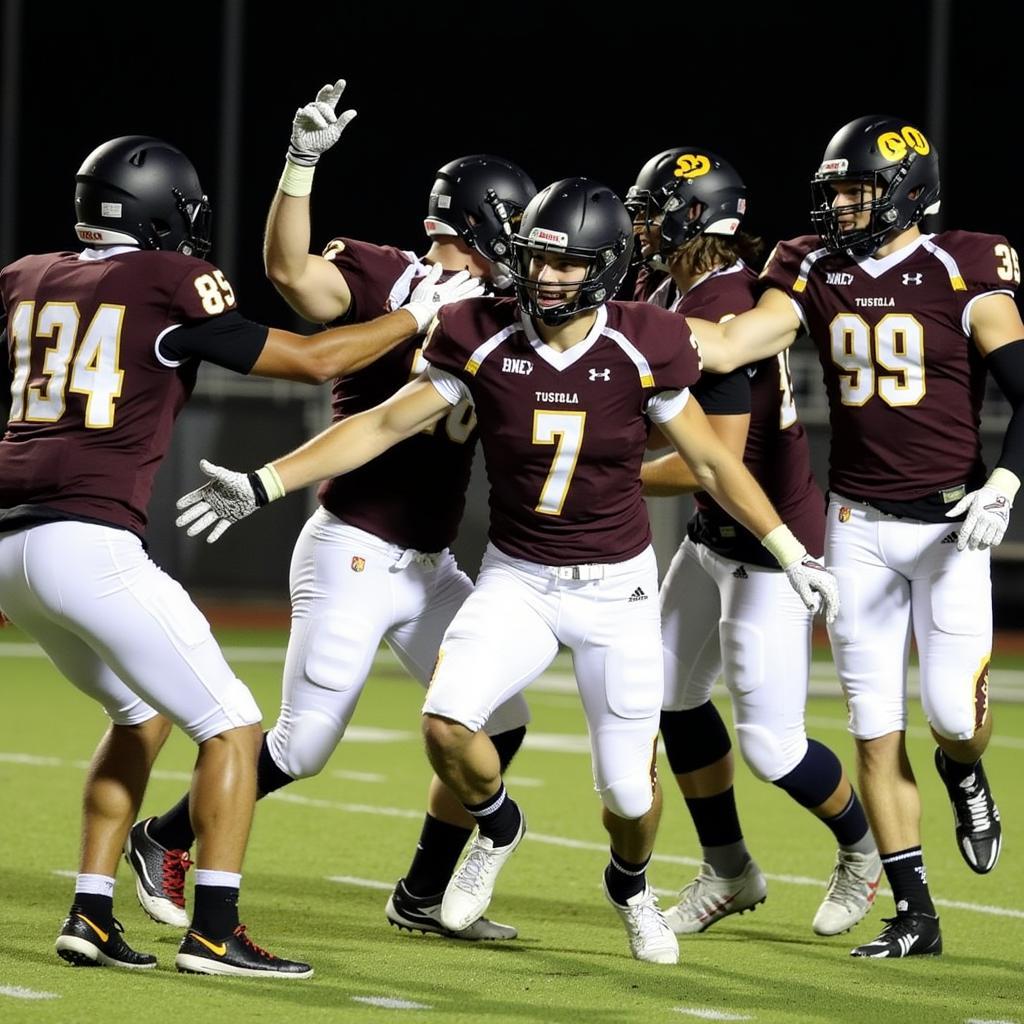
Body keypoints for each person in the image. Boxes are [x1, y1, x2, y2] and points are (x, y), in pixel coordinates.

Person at [171, 177, 840, 964]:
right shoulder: (476, 328)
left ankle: (630, 886)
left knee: (628, 793)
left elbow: (711, 463)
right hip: (516, 577)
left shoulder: (646, 337)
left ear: (608, 265)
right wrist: (266, 482)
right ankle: (497, 829)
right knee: (449, 724)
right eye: (536, 261)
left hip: (617, 587)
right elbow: (383, 422)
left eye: (567, 266)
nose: (547, 279)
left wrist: (791, 551)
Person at [0, 133, 481, 976]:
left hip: (11, 537)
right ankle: (215, 931)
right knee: (233, 728)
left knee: (139, 714)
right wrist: (417, 315)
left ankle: (91, 913)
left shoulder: (26, 275)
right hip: (88, 539)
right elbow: (316, 360)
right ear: (158, 214)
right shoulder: (166, 279)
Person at [125, 79, 536, 942]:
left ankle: (421, 897)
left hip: (431, 564)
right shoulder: (391, 275)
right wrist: (300, 163)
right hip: (353, 545)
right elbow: (288, 273)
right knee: (303, 748)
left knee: (495, 718)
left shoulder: (512, 312)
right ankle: (160, 835)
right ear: (497, 226)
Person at [683, 114, 1022, 958]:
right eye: (832, 191)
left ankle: (963, 770)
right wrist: (611, 324)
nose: (839, 206)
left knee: (951, 718)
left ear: (908, 191)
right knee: (874, 724)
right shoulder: (806, 263)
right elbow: (734, 342)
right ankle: (916, 914)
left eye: (856, 190)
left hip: (951, 526)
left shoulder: (964, 263)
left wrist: (1008, 480)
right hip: (857, 525)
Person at [626, 147, 881, 938]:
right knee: (668, 699)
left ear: (691, 215)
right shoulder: (665, 287)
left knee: (774, 745)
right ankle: (730, 869)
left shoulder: (730, 301)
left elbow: (718, 460)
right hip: (712, 537)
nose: (638, 225)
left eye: (650, 210)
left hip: (774, 545)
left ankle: (865, 852)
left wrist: (614, 474)